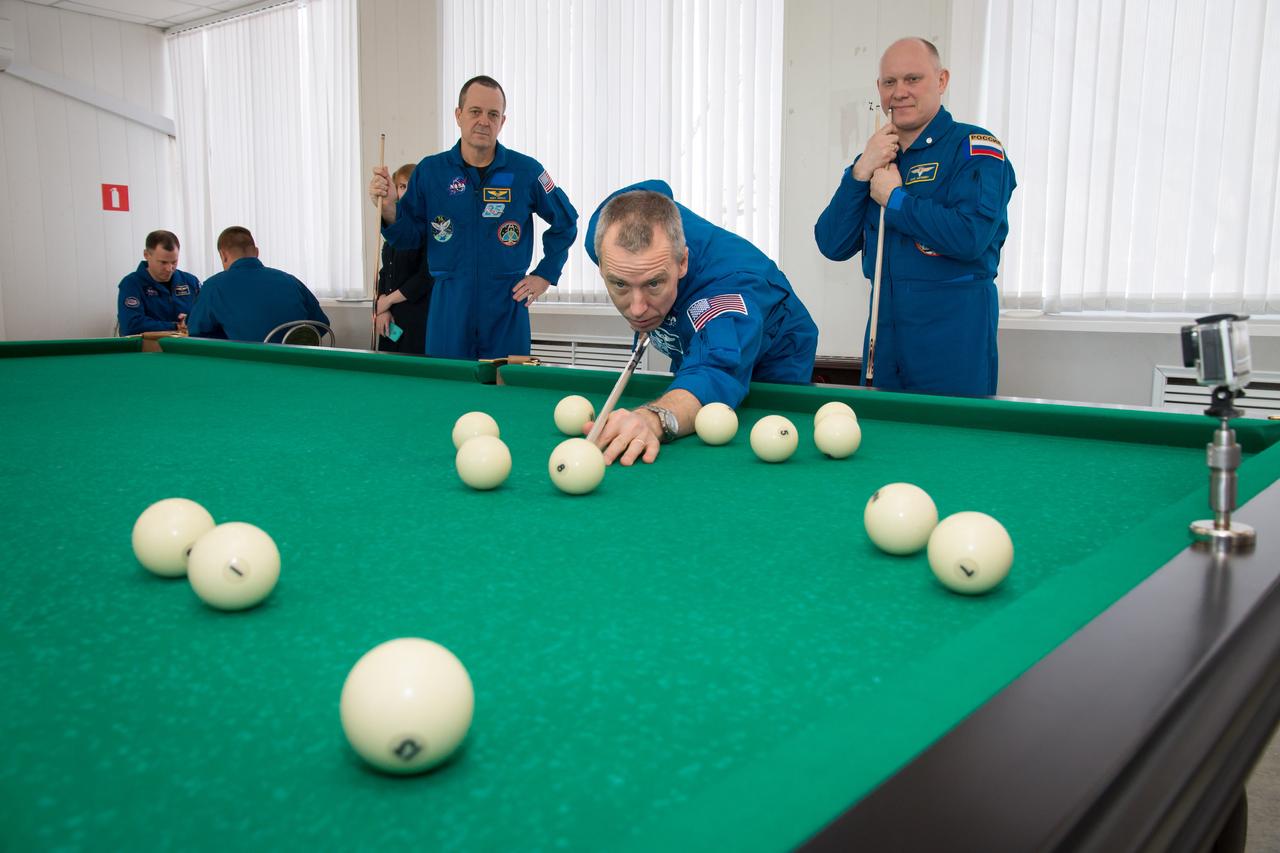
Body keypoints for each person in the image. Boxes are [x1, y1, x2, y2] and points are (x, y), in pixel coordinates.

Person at [814, 37, 1017, 397]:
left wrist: (895, 201)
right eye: (889, 82)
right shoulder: (878, 160)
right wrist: (860, 171)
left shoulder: (974, 148)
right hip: (885, 332)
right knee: (882, 443)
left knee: (953, 444)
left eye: (913, 79)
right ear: (879, 89)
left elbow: (970, 236)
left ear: (941, 81)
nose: (900, 92)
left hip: (952, 334)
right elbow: (831, 243)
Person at [583, 180, 818, 466]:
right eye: (619, 283)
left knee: (770, 441)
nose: (637, 308)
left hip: (777, 350)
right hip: (691, 323)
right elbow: (657, 187)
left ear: (682, 263)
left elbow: (713, 369)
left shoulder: (725, 294)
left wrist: (653, 418)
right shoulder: (605, 233)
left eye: (654, 283)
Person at [369, 75, 578, 360]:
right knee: (447, 389)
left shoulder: (527, 171)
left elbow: (565, 221)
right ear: (458, 115)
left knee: (507, 388)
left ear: (502, 121)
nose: (484, 121)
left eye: (493, 114)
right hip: (448, 305)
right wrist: (390, 207)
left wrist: (545, 274)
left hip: (507, 303)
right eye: (475, 112)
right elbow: (409, 237)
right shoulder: (431, 172)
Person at [186, 227, 329, 343]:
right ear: (256, 252)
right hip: (299, 367)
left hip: (249, 368)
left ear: (223, 255)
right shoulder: (291, 281)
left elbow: (197, 335)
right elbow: (322, 325)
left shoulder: (213, 286)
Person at [374, 163, 434, 355]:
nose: (406, 192)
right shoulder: (395, 229)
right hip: (392, 319)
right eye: (401, 186)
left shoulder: (430, 226)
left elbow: (425, 277)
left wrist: (388, 301)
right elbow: (386, 271)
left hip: (418, 317)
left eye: (410, 187)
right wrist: (382, 308)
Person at [116, 230, 201, 335]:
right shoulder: (131, 284)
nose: (169, 268)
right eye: (163, 262)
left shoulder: (191, 282)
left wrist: (190, 320)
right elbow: (131, 325)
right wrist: (176, 326)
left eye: (174, 262)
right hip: (150, 350)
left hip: (189, 348)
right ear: (146, 255)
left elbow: (207, 315)